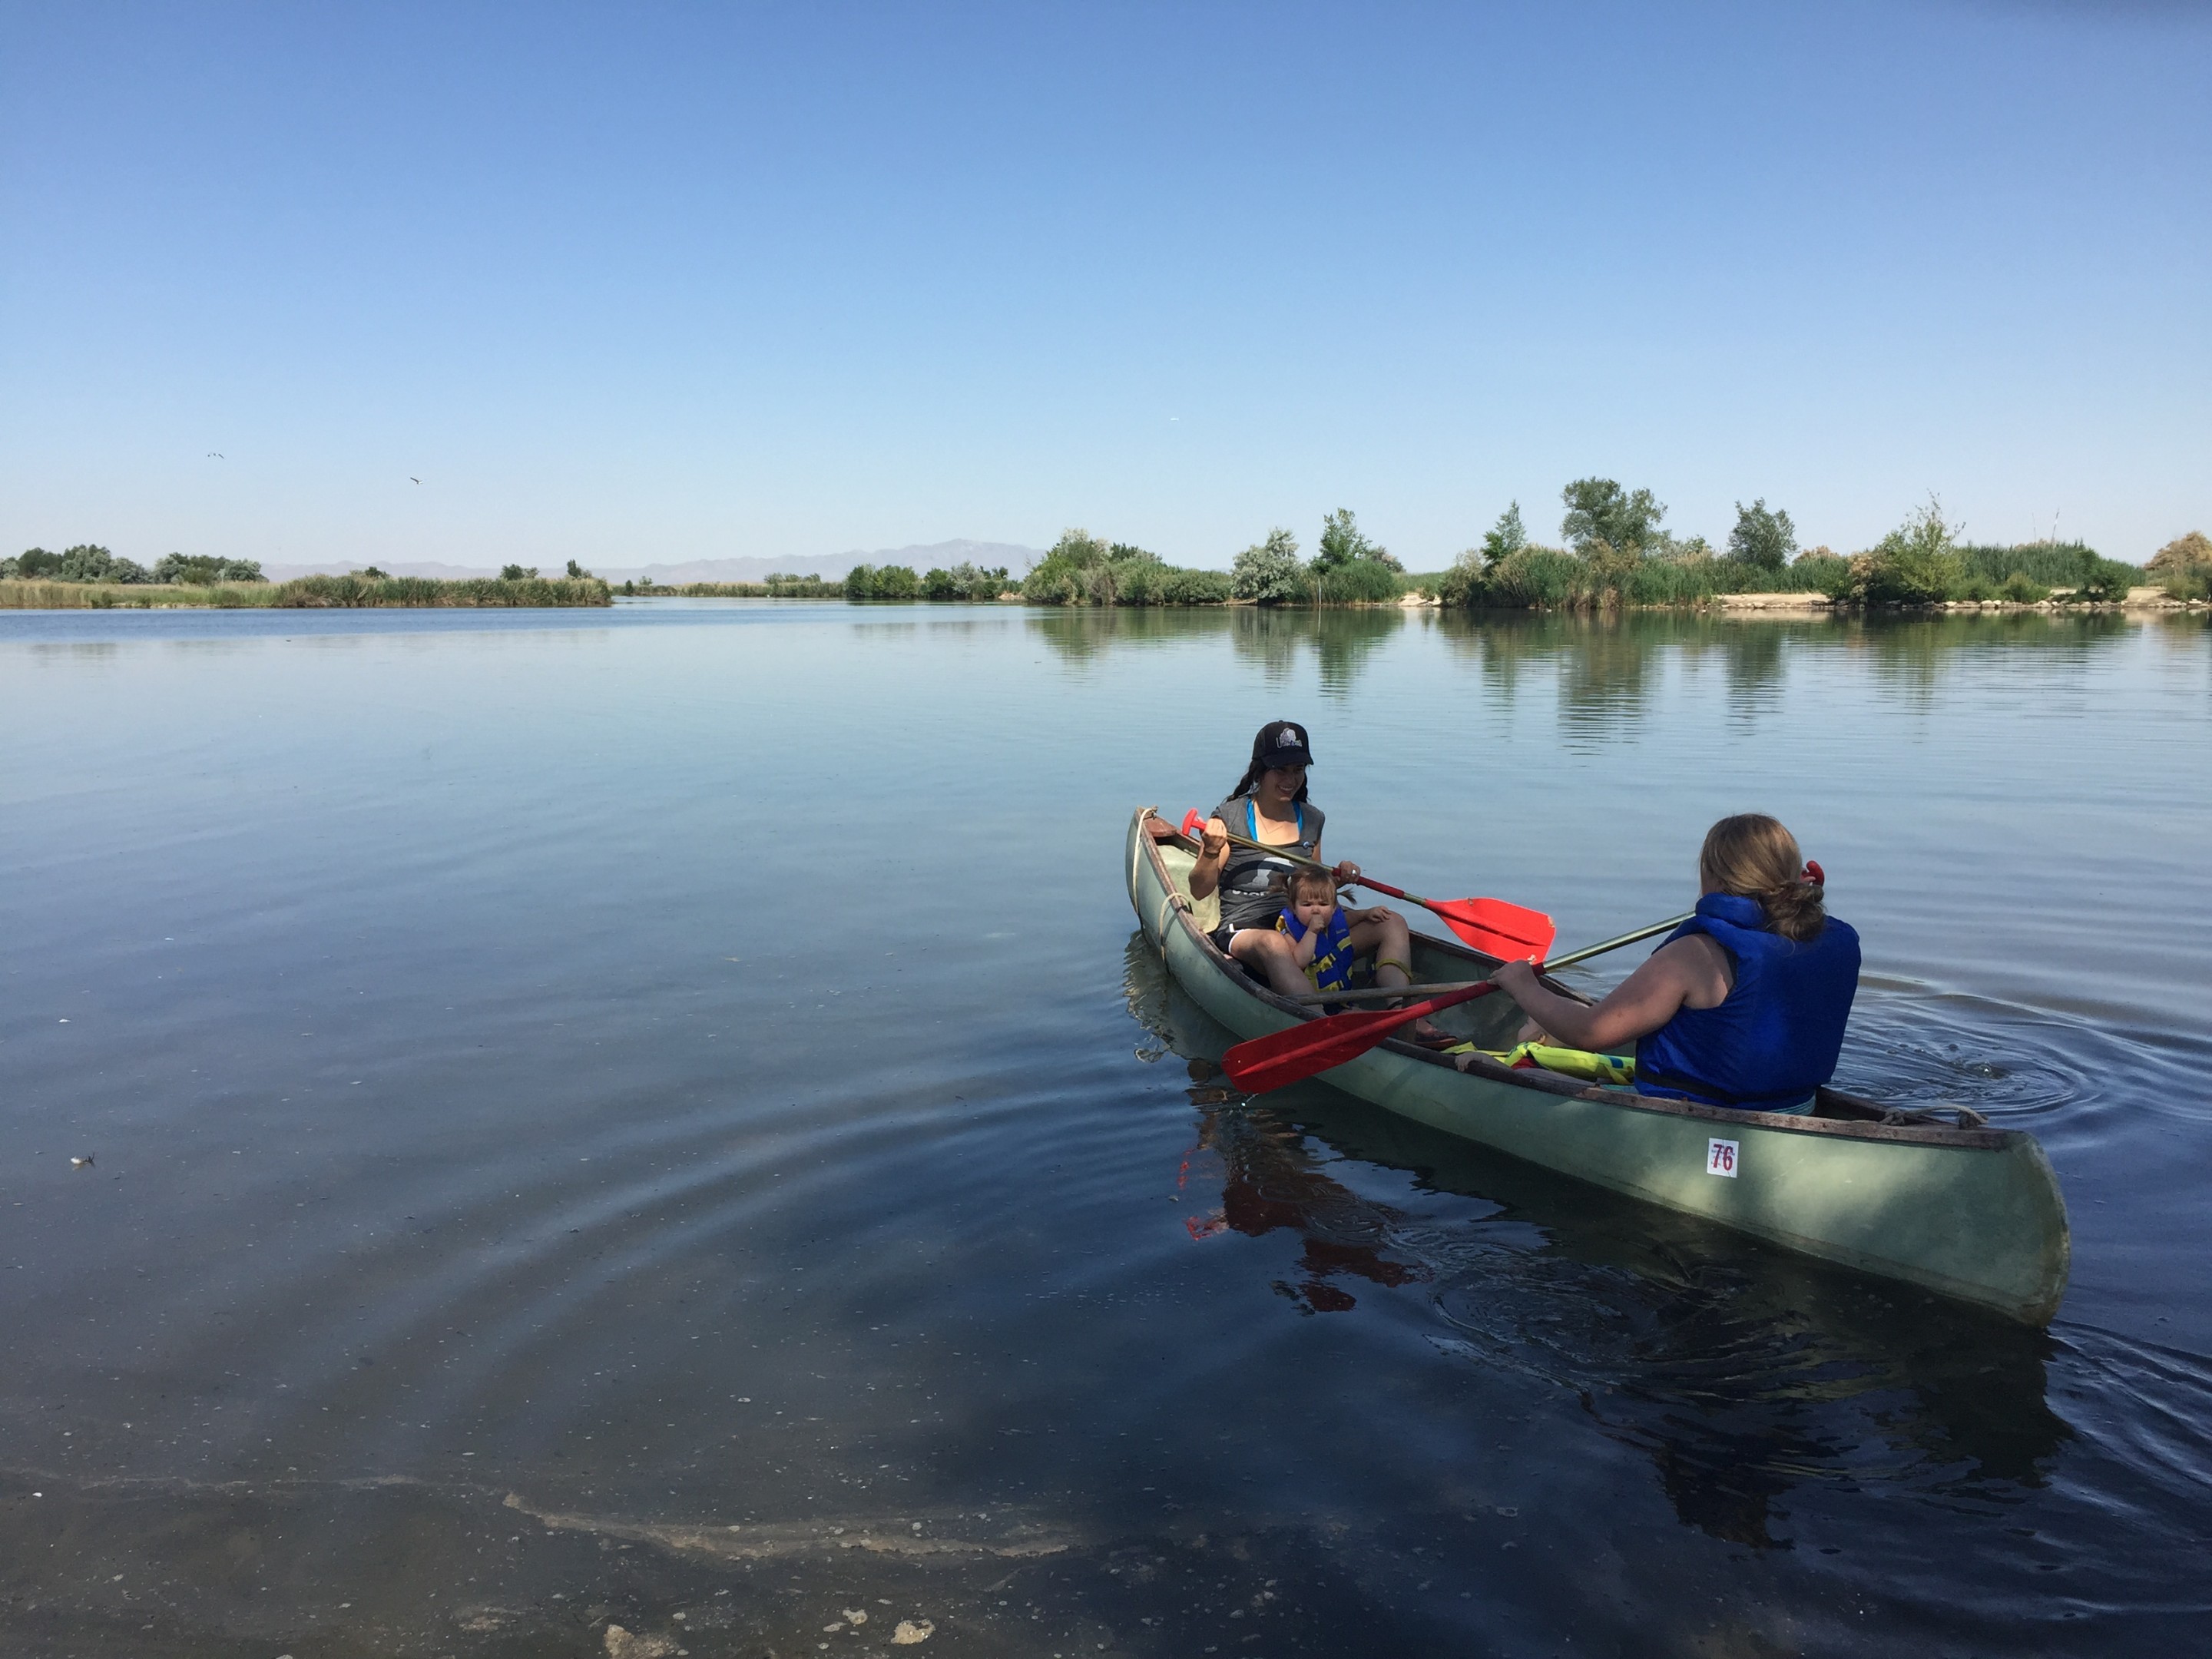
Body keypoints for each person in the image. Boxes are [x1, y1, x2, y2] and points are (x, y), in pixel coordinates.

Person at [1477, 813, 1860, 1114]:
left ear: (1712, 876)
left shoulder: (1696, 953)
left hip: (1692, 1119)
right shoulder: (1830, 940)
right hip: (1797, 1108)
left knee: (1486, 1065)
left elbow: (1590, 1032)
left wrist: (1523, 985)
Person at [1188, 720, 1443, 1038]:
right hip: (1246, 928)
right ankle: (1322, 1022)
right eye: (1280, 770)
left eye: (1298, 770)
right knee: (1273, 943)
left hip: (1303, 922)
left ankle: (1400, 1016)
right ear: (1260, 771)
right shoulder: (1229, 817)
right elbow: (1199, 890)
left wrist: (1338, 879)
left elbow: (1312, 888)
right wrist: (1211, 851)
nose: (1290, 780)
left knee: (1392, 922)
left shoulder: (1312, 819)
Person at [1274, 866, 1358, 998]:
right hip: (1314, 1000)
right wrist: (1312, 932)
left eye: (1323, 904)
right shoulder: (1290, 932)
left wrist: (1366, 914)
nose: (1316, 910)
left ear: (1334, 907)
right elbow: (1299, 962)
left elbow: (1346, 920)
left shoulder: (1334, 920)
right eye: (1307, 905)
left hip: (1340, 998)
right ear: (1294, 908)